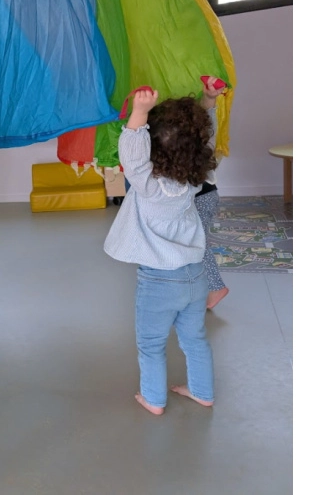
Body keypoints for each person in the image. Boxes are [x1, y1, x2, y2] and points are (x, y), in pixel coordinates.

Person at [103, 80, 219, 416]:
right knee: (195, 338)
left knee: (151, 345)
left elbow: (133, 156)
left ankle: (153, 399)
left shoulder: (149, 187)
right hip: (195, 277)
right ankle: (203, 392)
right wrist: (208, 100)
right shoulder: (195, 178)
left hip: (159, 282)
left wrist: (139, 112)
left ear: (154, 149)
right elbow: (199, 137)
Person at [194, 80, 230, 309]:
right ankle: (210, 287)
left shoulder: (193, 146)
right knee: (198, 241)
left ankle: (215, 288)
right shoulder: (201, 141)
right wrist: (209, 97)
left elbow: (209, 117)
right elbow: (209, 117)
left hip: (201, 197)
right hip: (207, 195)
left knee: (198, 242)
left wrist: (210, 98)